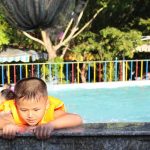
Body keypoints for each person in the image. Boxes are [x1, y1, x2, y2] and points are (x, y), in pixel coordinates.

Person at [0, 77, 82, 139]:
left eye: (36, 110)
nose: (30, 115)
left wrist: (51, 125)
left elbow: (77, 119)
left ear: (46, 105)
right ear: (16, 105)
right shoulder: (13, 112)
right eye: (24, 110)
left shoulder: (50, 112)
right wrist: (8, 125)